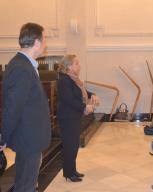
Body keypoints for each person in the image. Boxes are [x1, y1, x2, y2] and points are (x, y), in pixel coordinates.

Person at [0, 23, 51, 192]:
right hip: (28, 139)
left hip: (29, 138)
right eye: (44, 40)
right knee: (26, 186)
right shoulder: (21, 68)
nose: (45, 45)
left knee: (26, 182)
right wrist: (3, 137)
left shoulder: (24, 65)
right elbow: (12, 108)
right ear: (36, 42)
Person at [57, 54, 98, 182]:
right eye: (76, 63)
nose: (78, 65)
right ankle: (69, 173)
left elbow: (81, 91)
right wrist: (84, 107)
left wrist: (92, 94)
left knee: (74, 144)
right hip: (68, 118)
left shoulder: (74, 79)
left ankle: (72, 170)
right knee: (70, 145)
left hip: (73, 116)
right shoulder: (64, 80)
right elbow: (69, 100)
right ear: (69, 66)